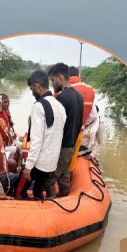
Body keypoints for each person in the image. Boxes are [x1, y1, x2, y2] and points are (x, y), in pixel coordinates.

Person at [22, 70, 66, 199]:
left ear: (37, 86)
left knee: (21, 190)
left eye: (31, 89)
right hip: (51, 162)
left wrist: (28, 166)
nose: (32, 93)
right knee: (38, 190)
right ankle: (40, 208)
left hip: (39, 162)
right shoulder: (59, 106)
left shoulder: (39, 106)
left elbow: (36, 140)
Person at [47, 63, 83, 197]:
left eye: (52, 80)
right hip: (72, 145)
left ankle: (52, 205)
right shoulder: (78, 97)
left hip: (62, 147)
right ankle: (64, 198)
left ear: (60, 77)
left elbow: (56, 127)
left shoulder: (62, 98)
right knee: (64, 175)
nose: (52, 84)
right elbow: (79, 122)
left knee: (50, 180)